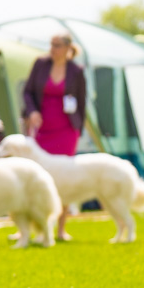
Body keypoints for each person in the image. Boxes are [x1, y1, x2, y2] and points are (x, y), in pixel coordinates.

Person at [22, 32, 87, 240]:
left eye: (57, 45)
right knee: (36, 177)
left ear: (68, 48)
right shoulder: (40, 64)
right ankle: (32, 228)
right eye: (51, 44)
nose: (53, 49)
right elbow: (28, 92)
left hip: (66, 130)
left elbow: (82, 101)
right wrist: (31, 112)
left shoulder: (76, 71)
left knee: (62, 178)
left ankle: (60, 229)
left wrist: (79, 129)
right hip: (42, 128)